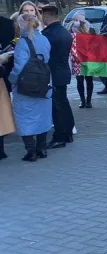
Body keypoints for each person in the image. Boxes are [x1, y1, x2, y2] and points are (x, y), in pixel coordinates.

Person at [10, 14, 53, 162]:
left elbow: (19, 67)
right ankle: (42, 148)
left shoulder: (22, 42)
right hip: (43, 83)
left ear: (21, 25)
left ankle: (31, 151)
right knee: (42, 116)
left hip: (25, 86)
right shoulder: (44, 39)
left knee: (24, 118)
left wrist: (12, 80)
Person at [41, 5, 75, 149]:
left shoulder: (48, 34)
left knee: (57, 106)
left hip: (53, 73)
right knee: (64, 103)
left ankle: (60, 136)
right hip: (63, 71)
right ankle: (67, 133)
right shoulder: (65, 32)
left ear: (46, 17)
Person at [69, 13, 95, 108]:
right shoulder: (70, 30)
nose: (75, 22)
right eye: (74, 20)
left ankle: (89, 100)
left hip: (88, 59)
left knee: (89, 80)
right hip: (76, 59)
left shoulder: (90, 30)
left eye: (77, 20)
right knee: (79, 81)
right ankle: (82, 100)